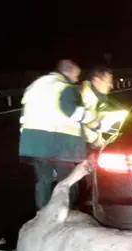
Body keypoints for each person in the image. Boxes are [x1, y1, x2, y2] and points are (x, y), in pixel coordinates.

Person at [19, 59, 99, 209]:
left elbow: (24, 115)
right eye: (76, 76)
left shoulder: (36, 85)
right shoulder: (65, 87)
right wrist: (94, 121)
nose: (76, 80)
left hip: (34, 143)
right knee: (68, 181)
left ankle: (42, 215)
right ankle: (67, 213)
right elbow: (72, 111)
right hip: (60, 144)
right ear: (68, 73)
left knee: (44, 180)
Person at [81, 66, 115, 150]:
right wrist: (95, 140)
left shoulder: (96, 99)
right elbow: (80, 126)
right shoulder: (86, 98)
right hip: (76, 148)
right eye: (108, 82)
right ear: (97, 81)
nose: (111, 86)